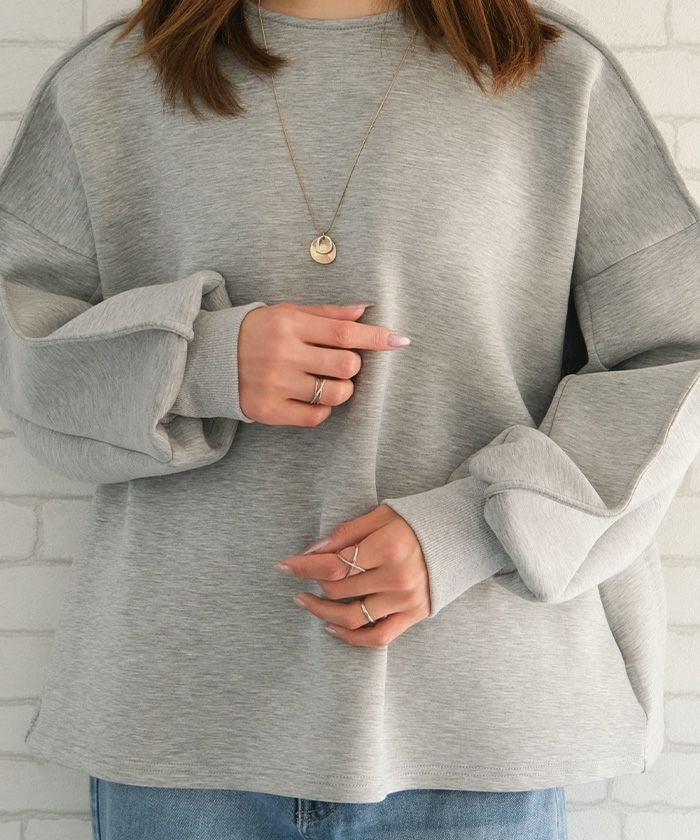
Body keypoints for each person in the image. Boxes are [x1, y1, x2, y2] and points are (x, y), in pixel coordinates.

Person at [1, 0, 698, 837]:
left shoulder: (555, 76)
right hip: (183, 732)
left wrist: (476, 530)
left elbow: (672, 356)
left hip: (475, 733)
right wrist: (198, 362)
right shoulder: (109, 85)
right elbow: (25, 353)